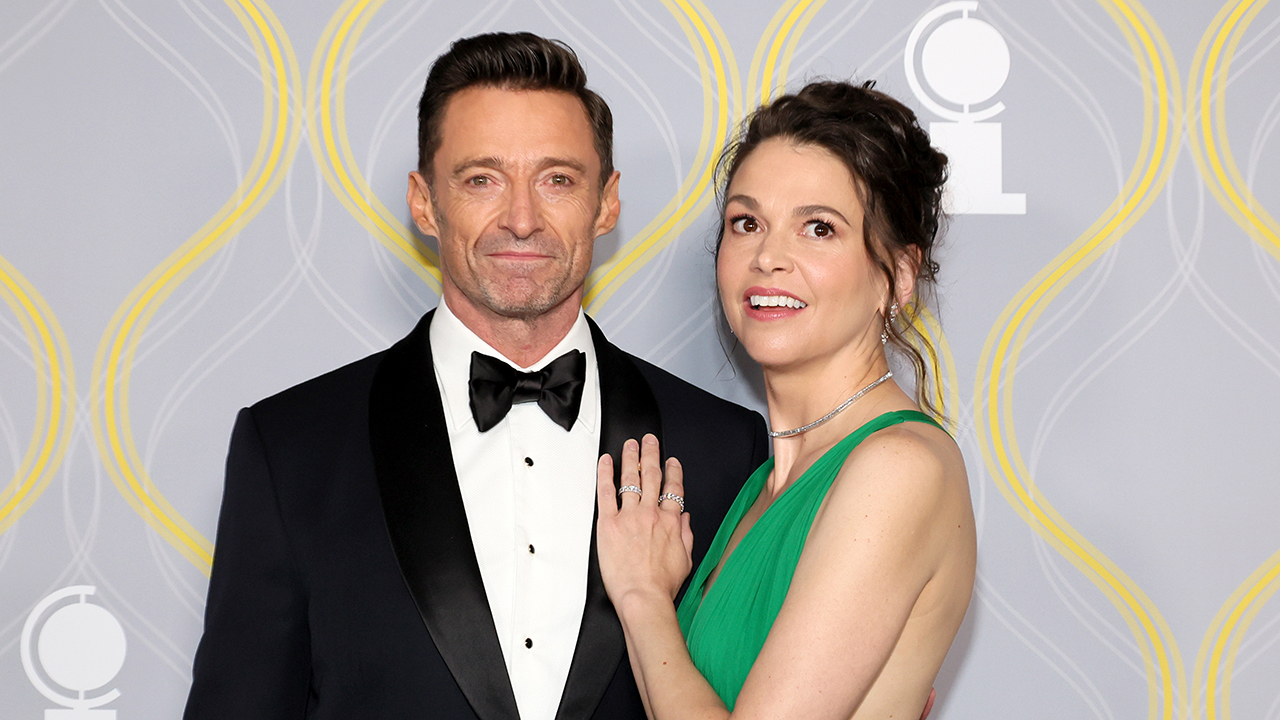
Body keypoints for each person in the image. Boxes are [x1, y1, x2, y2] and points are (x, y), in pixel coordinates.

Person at [183, 32, 767, 720]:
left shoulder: (725, 449)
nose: (521, 219)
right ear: (425, 203)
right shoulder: (289, 448)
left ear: (606, 203)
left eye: (557, 179)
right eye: (481, 179)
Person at [595, 80, 976, 720]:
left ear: (899, 276)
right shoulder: (763, 484)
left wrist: (641, 596)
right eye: (747, 223)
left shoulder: (898, 468)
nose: (769, 256)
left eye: (818, 228)